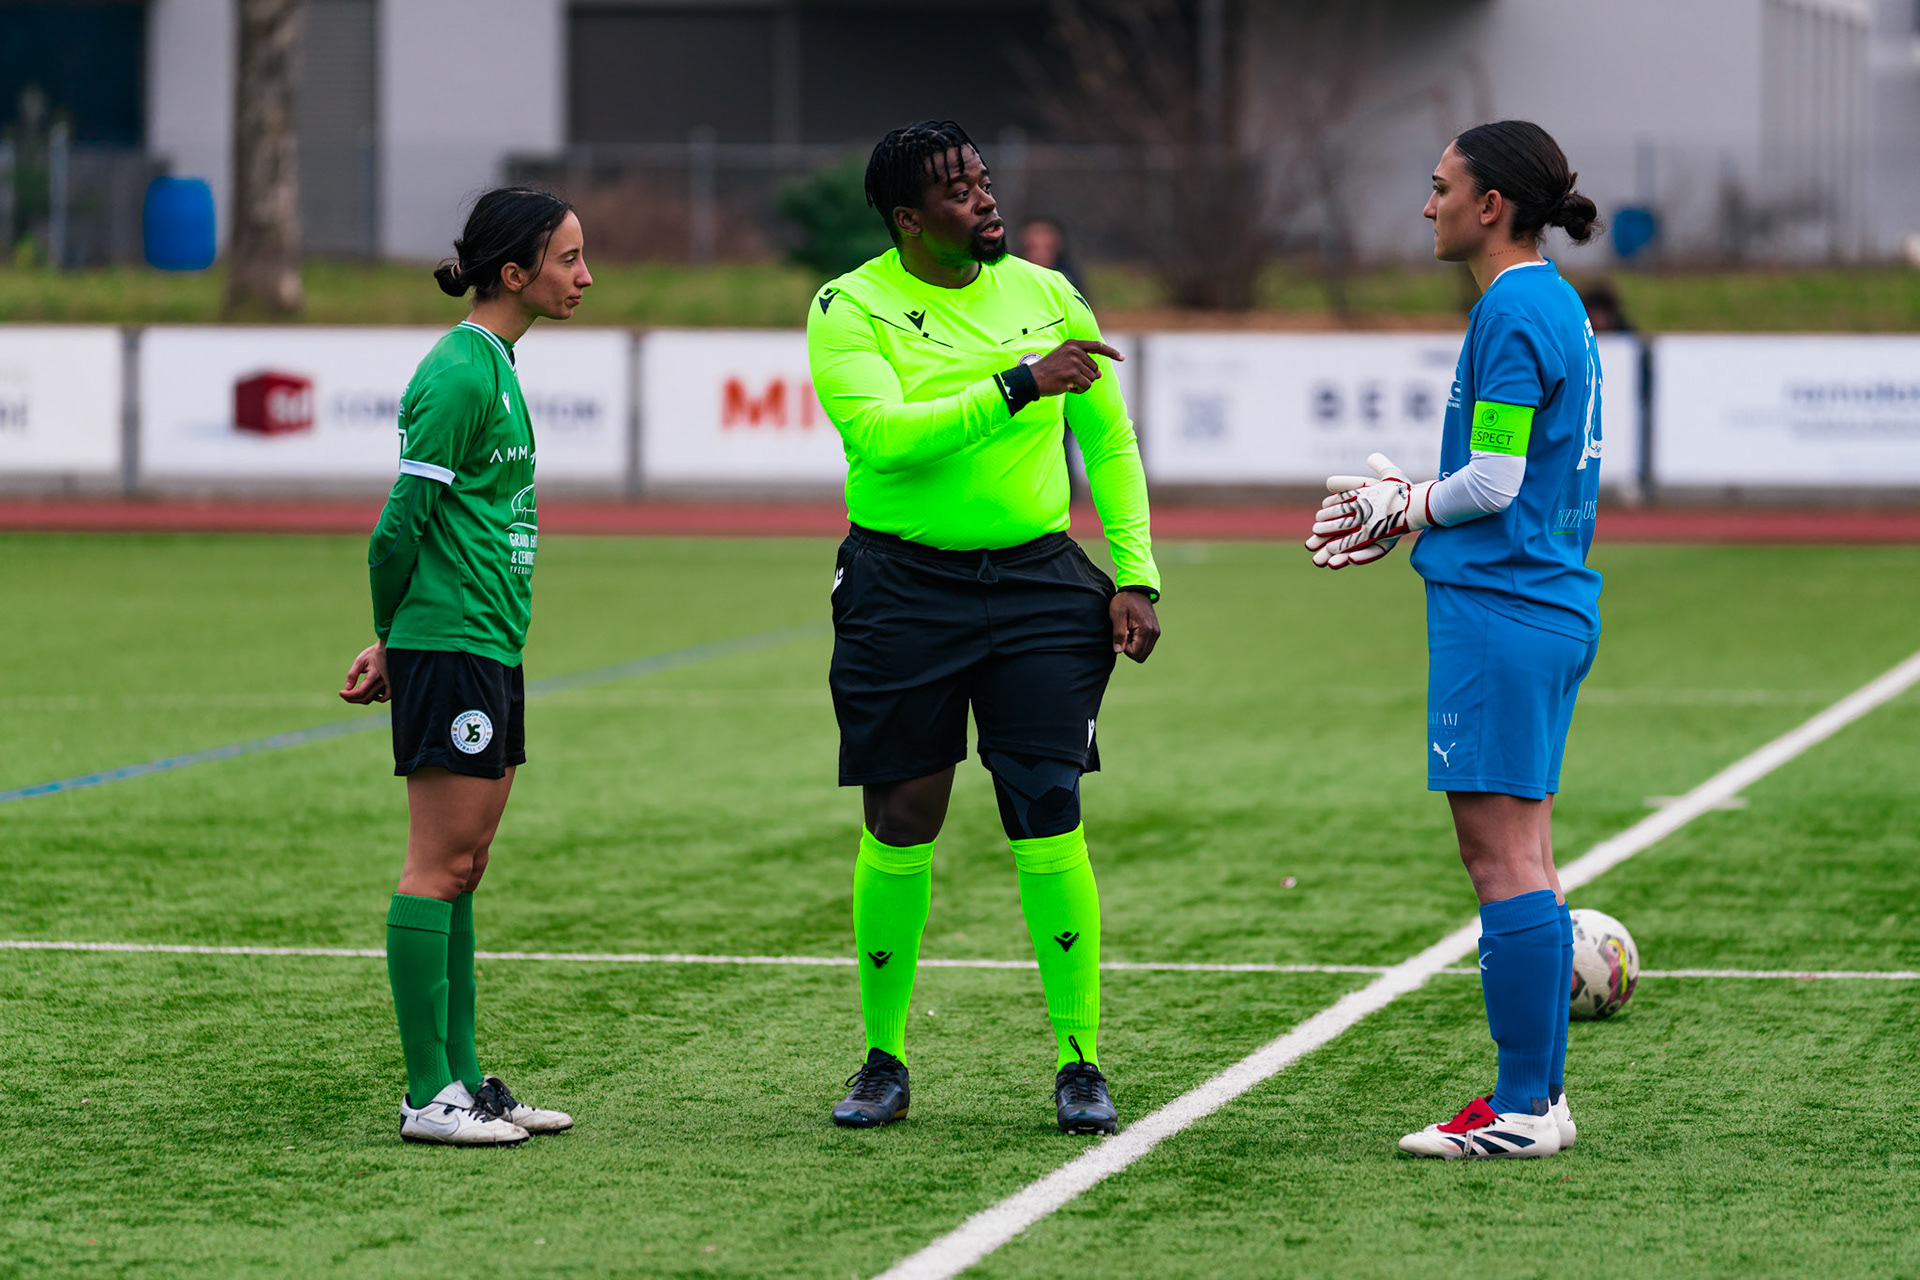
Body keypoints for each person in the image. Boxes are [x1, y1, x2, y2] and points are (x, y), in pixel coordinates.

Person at [806, 120, 1161, 1135]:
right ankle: (883, 1059)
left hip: (1040, 583)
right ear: (909, 219)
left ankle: (1080, 1060)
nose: (986, 200)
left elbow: (1110, 442)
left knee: (1047, 803)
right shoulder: (849, 305)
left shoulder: (1049, 294)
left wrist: (1135, 574)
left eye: (983, 180)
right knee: (903, 814)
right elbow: (883, 437)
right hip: (900, 587)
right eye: (958, 191)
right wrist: (1017, 384)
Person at [1305, 120, 1604, 1159]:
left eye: (1440, 187)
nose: (1427, 205)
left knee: (1500, 860)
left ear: (1491, 205)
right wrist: (1416, 505)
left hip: (1502, 613)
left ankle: (1519, 1108)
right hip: (1543, 603)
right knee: (1532, 857)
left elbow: (1495, 483)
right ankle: (1542, 1099)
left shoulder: (1512, 307)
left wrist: (1405, 506)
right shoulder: (1550, 299)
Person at [339, 187, 592, 1146]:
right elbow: (394, 531)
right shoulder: (457, 372)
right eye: (568, 258)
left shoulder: (497, 365)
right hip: (448, 644)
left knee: (467, 866)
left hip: (485, 643)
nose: (585, 276)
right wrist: (392, 637)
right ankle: (425, 1096)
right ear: (514, 273)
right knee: (437, 865)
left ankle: (462, 1080)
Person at [1018, 216, 1089, 301]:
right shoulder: (1012, 280)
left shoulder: (1068, 283)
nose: (1041, 255)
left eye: (1048, 248)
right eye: (1033, 248)